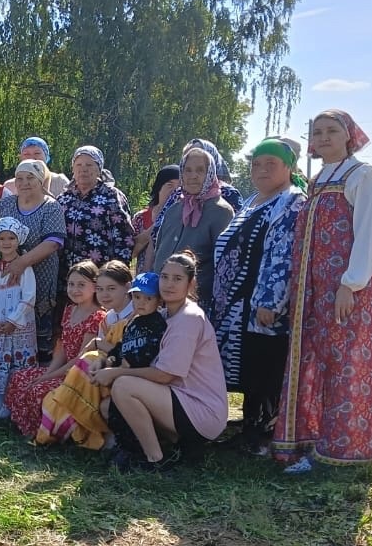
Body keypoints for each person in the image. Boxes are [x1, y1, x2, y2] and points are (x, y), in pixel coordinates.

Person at [274, 110, 372, 473]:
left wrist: (350, 285)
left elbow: (367, 234)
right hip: (313, 290)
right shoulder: (320, 179)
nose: (323, 138)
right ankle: (314, 440)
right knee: (317, 360)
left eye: (331, 131)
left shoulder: (361, 175)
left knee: (345, 364)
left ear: (348, 135)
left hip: (345, 290)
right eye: (317, 132)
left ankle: (346, 447)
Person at [211, 137, 306, 454]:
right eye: (256, 164)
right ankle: (250, 426)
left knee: (264, 367)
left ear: (288, 168)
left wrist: (270, 301)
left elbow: (283, 254)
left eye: (271, 164)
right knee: (249, 365)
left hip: (260, 303)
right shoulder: (255, 199)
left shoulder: (290, 201)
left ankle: (261, 435)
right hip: (236, 302)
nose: (261, 170)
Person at [104, 250, 229, 473]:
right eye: (164, 277)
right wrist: (104, 357)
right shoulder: (162, 316)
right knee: (108, 405)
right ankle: (158, 447)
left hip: (201, 410)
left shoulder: (188, 318)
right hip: (177, 400)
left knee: (123, 386)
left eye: (177, 278)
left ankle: (156, 459)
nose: (169, 284)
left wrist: (114, 374)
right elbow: (129, 352)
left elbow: (164, 375)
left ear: (190, 284)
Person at [33, 262, 138, 448]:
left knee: (66, 389)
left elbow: (104, 351)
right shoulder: (109, 316)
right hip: (100, 370)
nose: (104, 294)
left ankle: (87, 433)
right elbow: (78, 349)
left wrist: (100, 347)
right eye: (101, 289)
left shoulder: (136, 315)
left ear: (128, 287)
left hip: (128, 373)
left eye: (111, 289)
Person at [5, 260, 103, 439]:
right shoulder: (70, 309)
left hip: (78, 376)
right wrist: (48, 372)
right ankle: (25, 426)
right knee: (19, 378)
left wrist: (49, 377)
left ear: (95, 287)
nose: (74, 290)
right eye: (71, 284)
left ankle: (43, 432)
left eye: (81, 285)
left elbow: (81, 358)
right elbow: (64, 348)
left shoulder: (97, 317)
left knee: (38, 389)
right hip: (62, 369)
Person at [0, 159, 67, 351]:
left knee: (37, 338)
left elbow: (53, 243)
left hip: (41, 276)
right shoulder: (5, 205)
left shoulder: (51, 207)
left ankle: (35, 376)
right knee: (4, 333)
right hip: (5, 280)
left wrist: (21, 262)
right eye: (20, 178)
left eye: (30, 177)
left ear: (40, 180)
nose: (24, 183)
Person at [152, 146, 234, 309]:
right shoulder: (175, 209)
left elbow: (225, 264)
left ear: (210, 173)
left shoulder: (221, 212)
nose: (193, 176)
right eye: (187, 170)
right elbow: (158, 250)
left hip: (195, 303)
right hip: (161, 300)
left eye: (200, 170)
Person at [0, 218, 38, 419]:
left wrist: (13, 320)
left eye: (11, 238)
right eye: (1, 238)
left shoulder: (24, 268)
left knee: (18, 362)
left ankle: (17, 403)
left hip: (18, 326)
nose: (6, 242)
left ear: (18, 240)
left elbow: (29, 296)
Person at [57, 144, 135, 277]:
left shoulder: (112, 196)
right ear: (73, 169)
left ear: (99, 170)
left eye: (89, 165)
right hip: (68, 274)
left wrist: (118, 271)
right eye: (79, 165)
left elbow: (124, 236)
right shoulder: (63, 198)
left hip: (102, 273)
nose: (83, 169)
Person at [131, 165, 179, 268]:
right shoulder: (141, 217)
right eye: (169, 186)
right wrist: (158, 226)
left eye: (179, 187)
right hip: (145, 279)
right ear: (159, 188)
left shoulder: (186, 218)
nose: (175, 191)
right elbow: (131, 252)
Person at [3, 137, 70, 198]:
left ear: (46, 156)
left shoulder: (60, 181)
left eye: (37, 153)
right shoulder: (9, 185)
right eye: (26, 154)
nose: (32, 158)